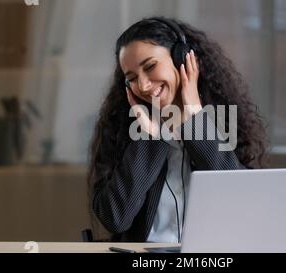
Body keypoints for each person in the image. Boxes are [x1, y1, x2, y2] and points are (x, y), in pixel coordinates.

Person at [87, 17, 268, 242]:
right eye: (131, 78)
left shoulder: (222, 120)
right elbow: (115, 218)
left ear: (181, 59)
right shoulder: (124, 127)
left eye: (150, 66)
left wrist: (194, 118)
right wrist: (152, 137)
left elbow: (240, 201)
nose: (143, 85)